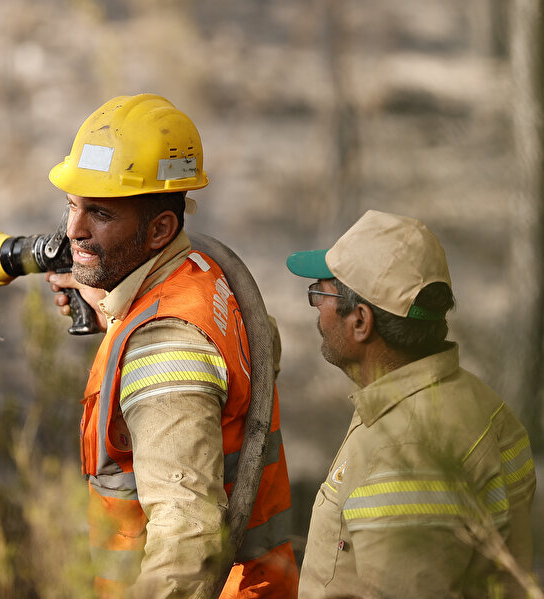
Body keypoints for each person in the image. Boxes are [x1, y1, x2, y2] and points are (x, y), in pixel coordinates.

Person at [46, 93, 298, 598]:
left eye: (100, 213)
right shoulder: (206, 278)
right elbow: (254, 345)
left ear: (160, 228)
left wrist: (142, 340)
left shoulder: (167, 353)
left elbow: (187, 544)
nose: (74, 230)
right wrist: (120, 316)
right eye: (72, 205)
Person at [286, 210, 536, 598]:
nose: (316, 306)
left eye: (321, 293)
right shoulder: (481, 403)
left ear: (360, 322)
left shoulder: (404, 454)